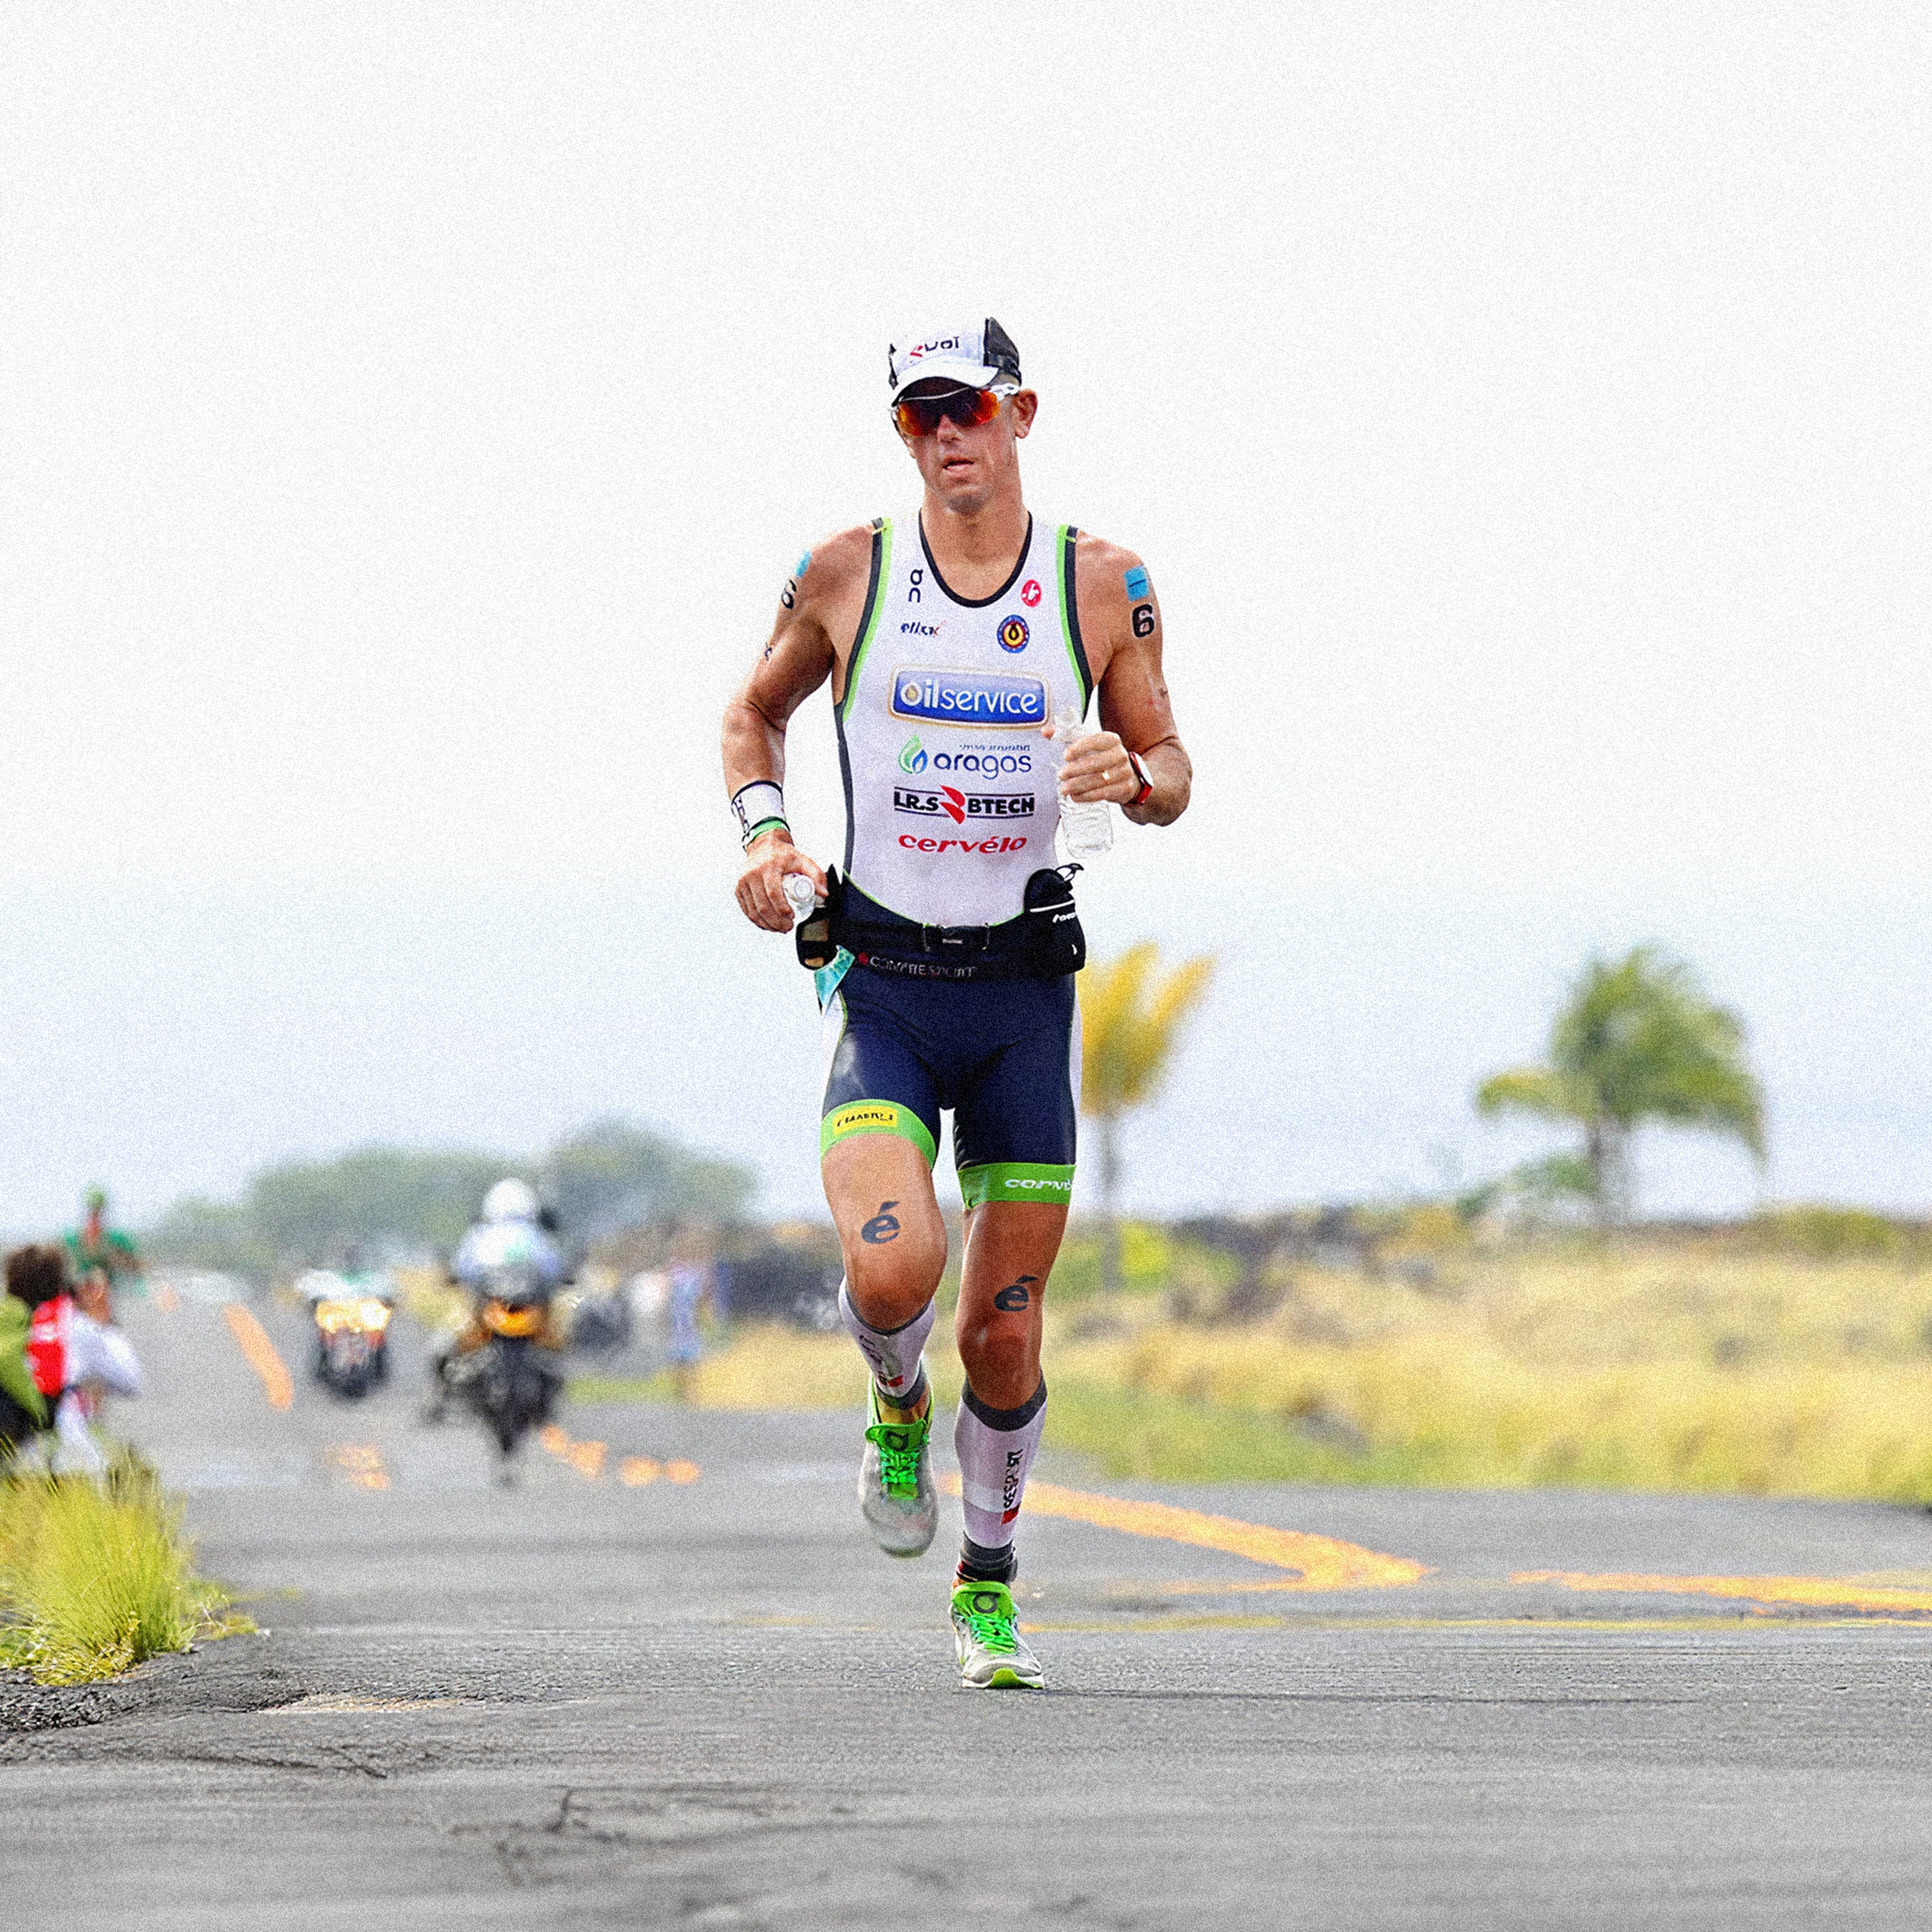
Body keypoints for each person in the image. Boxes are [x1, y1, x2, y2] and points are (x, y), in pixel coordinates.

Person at [721, 318, 1191, 1687]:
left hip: (1021, 999)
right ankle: (890, 1401)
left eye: (969, 411)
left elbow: (1170, 762)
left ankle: (988, 1584)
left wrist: (1132, 779)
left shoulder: (1101, 583)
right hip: (884, 981)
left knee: (1003, 1329)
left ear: (1021, 414)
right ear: (902, 434)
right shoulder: (846, 572)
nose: (949, 437)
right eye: (924, 416)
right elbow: (754, 716)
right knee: (891, 1273)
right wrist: (764, 836)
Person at [426, 1178, 569, 1417]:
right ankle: (438, 1397)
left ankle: (437, 1399)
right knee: (446, 1346)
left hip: (505, 1308)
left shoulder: (481, 1235)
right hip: (497, 1308)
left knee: (443, 1346)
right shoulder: (536, 1236)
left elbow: (463, 1268)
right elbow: (555, 1270)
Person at [8, 1243, 142, 1475]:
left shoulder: (7, 1327)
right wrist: (104, 1323)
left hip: (13, 1452)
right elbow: (131, 1382)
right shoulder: (76, 1326)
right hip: (64, 1452)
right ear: (60, 1285)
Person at [62, 1186, 142, 1304]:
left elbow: (137, 1268)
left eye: (98, 1213)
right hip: (80, 1299)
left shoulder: (116, 1241)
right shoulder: (71, 1242)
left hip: (109, 1298)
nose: (94, 1218)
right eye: (91, 1213)